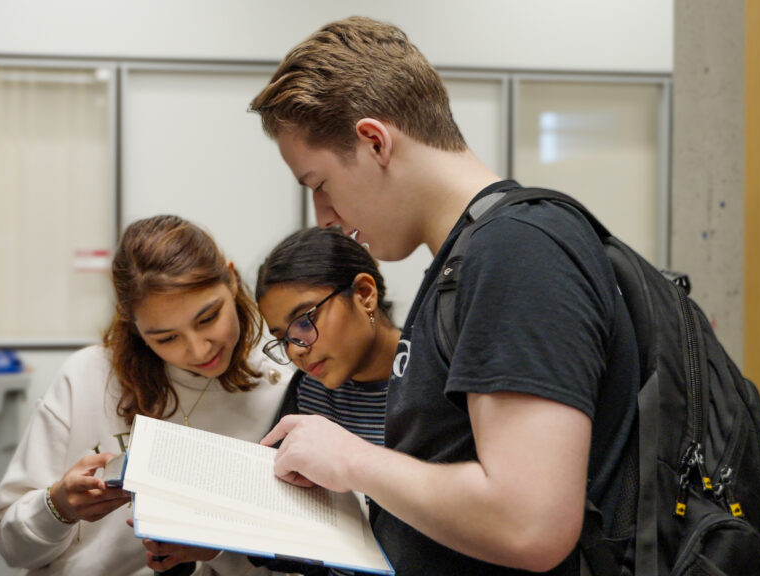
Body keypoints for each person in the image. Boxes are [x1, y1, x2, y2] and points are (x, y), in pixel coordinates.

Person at [249, 16, 640, 576]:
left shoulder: (515, 251)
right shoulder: (466, 262)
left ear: (374, 142)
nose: (325, 219)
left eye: (320, 185)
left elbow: (529, 523)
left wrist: (351, 459)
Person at [0, 214, 294, 576]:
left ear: (230, 278)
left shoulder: (281, 389)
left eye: (208, 318)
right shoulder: (87, 376)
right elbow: (12, 548)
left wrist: (221, 546)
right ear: (134, 325)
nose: (197, 350)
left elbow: (295, 558)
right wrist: (58, 507)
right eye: (166, 338)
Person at [251, 226, 400, 576]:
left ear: (365, 294)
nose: (296, 350)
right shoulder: (309, 391)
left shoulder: (437, 381)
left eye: (304, 322)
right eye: (282, 339)